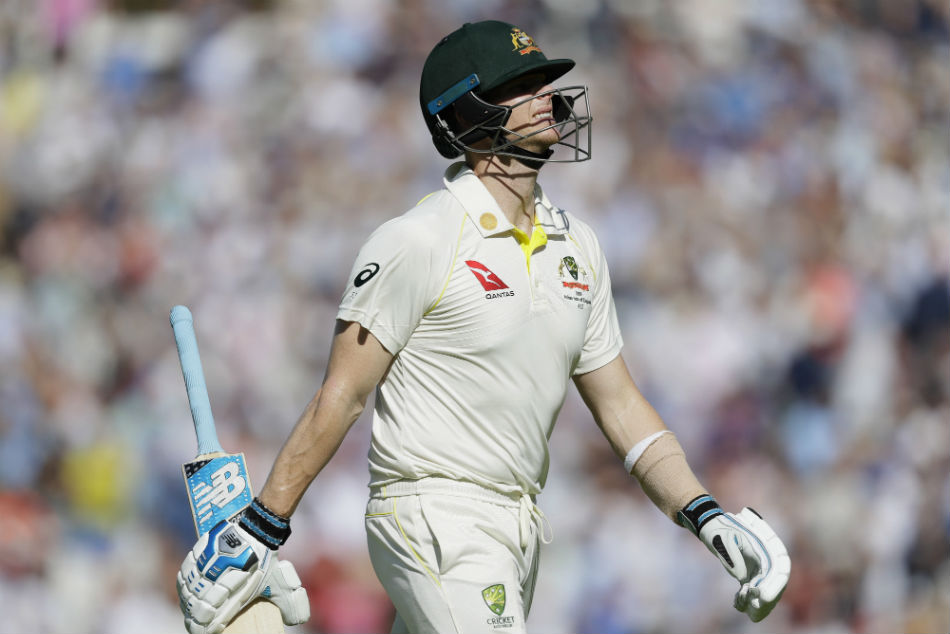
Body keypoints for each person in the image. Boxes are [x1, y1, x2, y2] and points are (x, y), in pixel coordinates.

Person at [175, 19, 791, 634]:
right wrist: (261, 526)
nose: (547, 96)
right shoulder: (419, 240)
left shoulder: (577, 245)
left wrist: (703, 512)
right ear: (466, 112)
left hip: (520, 524)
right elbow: (342, 395)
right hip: (433, 512)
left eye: (545, 81)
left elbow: (622, 406)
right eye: (520, 85)